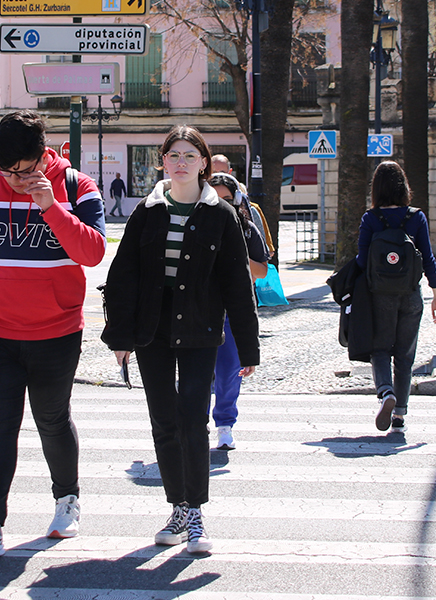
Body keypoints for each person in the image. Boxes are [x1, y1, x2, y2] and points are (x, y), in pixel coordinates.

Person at [0, 110, 106, 556]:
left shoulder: (77, 187)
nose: (14, 180)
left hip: (56, 329)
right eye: (5, 170)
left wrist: (50, 206)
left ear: (42, 156)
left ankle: (67, 499)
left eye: (24, 171)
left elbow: (92, 252)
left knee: (51, 418)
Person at [101, 125, 259, 554]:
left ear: (204, 163)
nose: (183, 162)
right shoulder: (147, 211)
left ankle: (196, 514)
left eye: (191, 155)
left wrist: (247, 347)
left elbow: (237, 285)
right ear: (163, 162)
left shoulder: (221, 215)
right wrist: (120, 335)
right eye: (175, 155)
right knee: (163, 421)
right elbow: (122, 276)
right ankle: (177, 505)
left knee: (193, 418)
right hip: (153, 328)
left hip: (201, 327)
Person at [355, 161, 436, 433]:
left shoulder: (371, 219)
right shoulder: (416, 218)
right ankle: (400, 414)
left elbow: (361, 260)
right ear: (403, 185)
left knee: (380, 349)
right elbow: (427, 258)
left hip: (379, 295)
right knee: (405, 356)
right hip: (411, 295)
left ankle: (385, 392)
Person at [207, 173, 270, 449]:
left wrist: (235, 256)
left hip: (233, 311)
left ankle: (224, 424)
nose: (222, 204)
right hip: (200, 308)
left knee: (230, 369)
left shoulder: (247, 231)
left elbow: (262, 269)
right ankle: (192, 422)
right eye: (215, 198)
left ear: (239, 201)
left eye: (228, 199)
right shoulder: (192, 226)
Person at [211, 154, 275, 258]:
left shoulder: (251, 210)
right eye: (213, 172)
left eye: (227, 200)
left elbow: (267, 252)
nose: (218, 176)